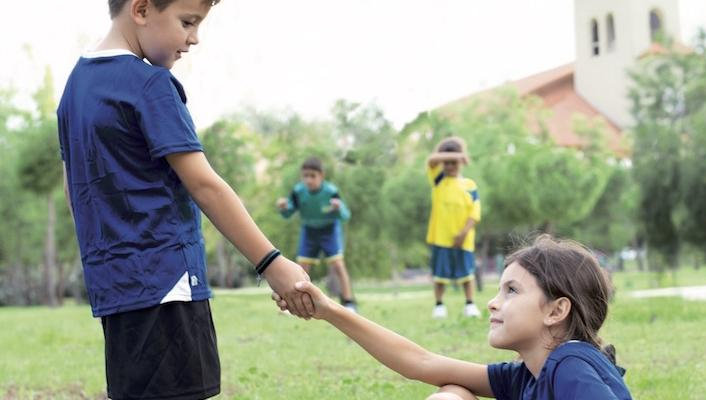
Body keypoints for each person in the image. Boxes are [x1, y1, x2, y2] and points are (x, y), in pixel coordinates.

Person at [57, 1, 313, 398]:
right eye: (187, 22)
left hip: (114, 286)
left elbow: (75, 192)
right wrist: (271, 262)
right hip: (167, 280)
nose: (194, 39)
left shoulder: (75, 88)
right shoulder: (149, 85)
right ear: (141, 9)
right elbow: (205, 185)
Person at [274, 234, 633, 400]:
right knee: (453, 394)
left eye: (511, 291)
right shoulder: (529, 375)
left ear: (556, 310)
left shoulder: (570, 363)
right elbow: (422, 362)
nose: (492, 304)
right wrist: (330, 310)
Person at [277, 157, 357, 312]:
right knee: (301, 268)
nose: (309, 180)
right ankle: (296, 304)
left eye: (312, 176)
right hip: (309, 232)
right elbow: (288, 213)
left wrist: (338, 208)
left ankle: (349, 302)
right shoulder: (298, 192)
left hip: (329, 231)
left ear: (322, 176)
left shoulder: (331, 191)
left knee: (338, 265)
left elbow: (346, 216)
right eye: (305, 176)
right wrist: (283, 207)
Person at [426, 137, 482, 318]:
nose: (450, 166)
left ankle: (470, 304)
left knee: (467, 274)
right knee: (440, 275)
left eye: (454, 162)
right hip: (441, 238)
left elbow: (475, 213)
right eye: (446, 162)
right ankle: (439, 305)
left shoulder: (470, 185)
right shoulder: (438, 180)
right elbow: (431, 160)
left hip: (464, 239)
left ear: (461, 162)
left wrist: (463, 233)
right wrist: (457, 153)